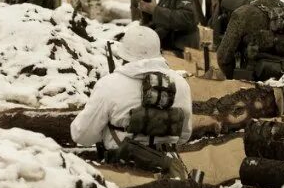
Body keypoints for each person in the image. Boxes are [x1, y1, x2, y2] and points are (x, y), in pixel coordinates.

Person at [71, 25, 193, 173]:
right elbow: (185, 135)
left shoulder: (108, 84)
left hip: (123, 171)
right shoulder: (181, 83)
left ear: (124, 54)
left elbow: (82, 135)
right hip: (168, 168)